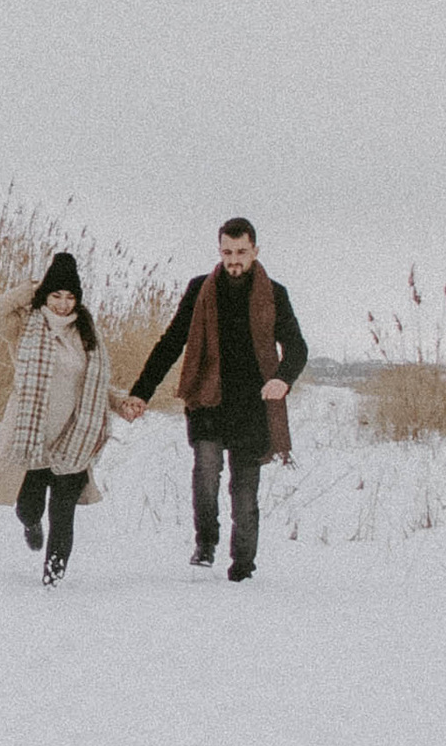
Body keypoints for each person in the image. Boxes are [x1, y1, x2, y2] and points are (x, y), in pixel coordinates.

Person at [118, 217, 307, 581]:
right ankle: (206, 542)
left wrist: (282, 379)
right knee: (206, 472)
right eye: (227, 252)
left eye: (241, 252)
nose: (233, 260)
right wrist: (141, 392)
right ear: (219, 251)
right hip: (208, 400)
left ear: (255, 251)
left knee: (244, 491)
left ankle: (242, 567)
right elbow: (171, 342)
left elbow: (297, 347)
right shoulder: (200, 290)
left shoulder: (274, 294)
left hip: (252, 407)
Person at [0, 251, 113, 585]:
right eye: (55, 295)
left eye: (70, 297)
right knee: (29, 507)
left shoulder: (86, 332)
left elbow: (96, 383)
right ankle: (31, 524)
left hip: (74, 437)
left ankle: (53, 579)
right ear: (45, 295)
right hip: (33, 438)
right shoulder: (24, 326)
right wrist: (28, 290)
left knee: (62, 513)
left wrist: (122, 403)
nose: (63, 304)